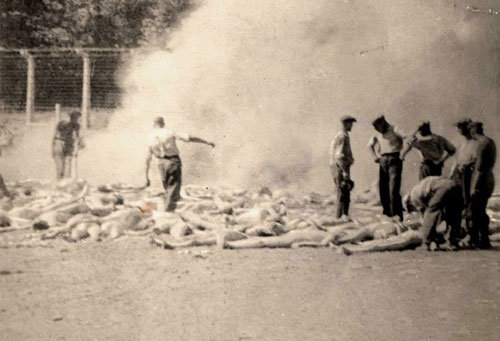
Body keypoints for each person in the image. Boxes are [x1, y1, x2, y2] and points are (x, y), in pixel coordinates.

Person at [145, 117, 215, 212]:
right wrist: (206, 142)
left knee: (168, 190)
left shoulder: (150, 136)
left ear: (154, 125)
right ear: (163, 124)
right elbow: (189, 138)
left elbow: (148, 158)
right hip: (173, 162)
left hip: (161, 164)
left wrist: (146, 177)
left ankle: (167, 210)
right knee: (173, 190)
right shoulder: (169, 132)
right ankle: (166, 214)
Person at [403, 176, 463, 251]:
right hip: (454, 185)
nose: (413, 210)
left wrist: (423, 227)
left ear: (409, 203)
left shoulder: (413, 196)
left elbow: (426, 215)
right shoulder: (419, 188)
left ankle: (426, 243)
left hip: (442, 188)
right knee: (453, 214)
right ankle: (453, 242)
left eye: (411, 209)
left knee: (431, 213)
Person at [368, 115, 404, 221]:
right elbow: (369, 145)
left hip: (394, 158)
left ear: (383, 122)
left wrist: (404, 153)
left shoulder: (395, 129)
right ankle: (387, 214)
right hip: (383, 159)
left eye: (377, 126)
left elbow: (408, 139)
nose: (376, 129)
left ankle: (396, 215)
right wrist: (375, 157)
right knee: (383, 188)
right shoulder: (377, 133)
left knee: (393, 188)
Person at [469, 121, 497, 249]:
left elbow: (479, 168)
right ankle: (483, 239)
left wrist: (474, 186)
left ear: (472, 132)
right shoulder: (490, 142)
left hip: (481, 181)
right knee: (481, 210)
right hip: (489, 179)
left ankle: (480, 240)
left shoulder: (482, 144)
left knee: (477, 211)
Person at [449, 118, 476, 232]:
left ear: (468, 127)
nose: (458, 129)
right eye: (457, 127)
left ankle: (472, 233)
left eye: (460, 126)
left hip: (469, 176)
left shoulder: (476, 143)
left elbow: (477, 160)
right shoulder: (462, 144)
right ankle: (459, 231)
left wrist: (468, 165)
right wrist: (451, 174)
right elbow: (456, 160)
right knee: (457, 204)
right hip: (458, 176)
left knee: (469, 203)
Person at [329, 115, 356, 219]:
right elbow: (339, 156)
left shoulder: (340, 136)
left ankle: (342, 217)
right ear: (346, 124)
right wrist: (345, 172)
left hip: (338, 167)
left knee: (343, 193)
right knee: (343, 194)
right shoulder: (342, 137)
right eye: (350, 123)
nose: (352, 126)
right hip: (340, 168)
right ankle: (340, 218)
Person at [52, 111, 83, 180]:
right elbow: (56, 135)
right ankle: (60, 182)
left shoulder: (76, 125)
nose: (79, 121)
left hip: (64, 145)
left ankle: (65, 181)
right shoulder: (63, 124)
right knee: (61, 166)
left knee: (66, 166)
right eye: (78, 119)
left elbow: (78, 137)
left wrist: (78, 146)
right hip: (60, 144)